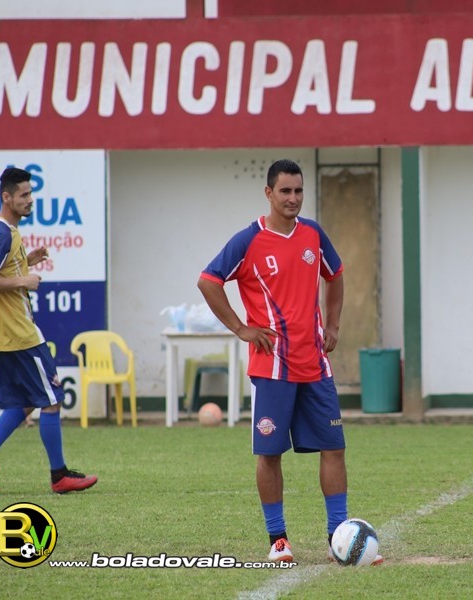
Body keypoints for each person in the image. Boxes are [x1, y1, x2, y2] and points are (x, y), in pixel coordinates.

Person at [197, 159, 381, 565]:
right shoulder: (248, 241)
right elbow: (208, 282)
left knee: (334, 448)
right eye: (285, 191)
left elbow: (336, 274)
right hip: (272, 368)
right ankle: (278, 540)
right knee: (270, 454)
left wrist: (333, 323)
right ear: (269, 193)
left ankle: (337, 537)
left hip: (315, 364)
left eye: (298, 191)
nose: (293, 198)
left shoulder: (313, 234)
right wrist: (241, 328)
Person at [0, 167, 98, 495]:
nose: (30, 200)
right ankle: (59, 476)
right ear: (6, 197)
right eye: (24, 195)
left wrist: (27, 261)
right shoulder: (3, 234)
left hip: (4, 334)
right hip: (20, 333)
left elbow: (1, 272)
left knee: (26, 401)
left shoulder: (3, 230)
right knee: (52, 399)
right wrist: (24, 280)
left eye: (31, 194)